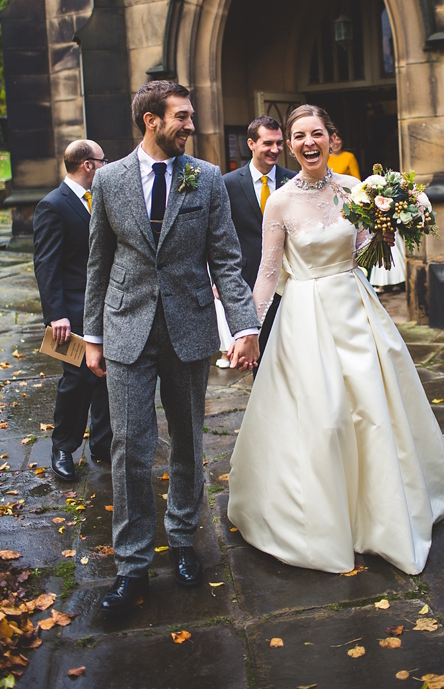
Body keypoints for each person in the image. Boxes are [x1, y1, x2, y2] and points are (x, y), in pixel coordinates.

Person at [228, 104, 444, 575]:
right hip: (304, 317)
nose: (307, 142)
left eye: (316, 133)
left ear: (331, 139)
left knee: (373, 410)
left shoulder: (356, 190)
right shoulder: (279, 202)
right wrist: (248, 329)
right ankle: (319, 517)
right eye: (298, 136)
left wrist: (387, 227)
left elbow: (363, 255)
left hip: (355, 308)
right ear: (290, 145)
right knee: (326, 415)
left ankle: (382, 515)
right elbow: (268, 273)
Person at [83, 80, 260, 614]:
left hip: (189, 330)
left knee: (187, 443)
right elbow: (99, 261)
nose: (191, 124)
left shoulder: (204, 178)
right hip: (125, 330)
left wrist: (245, 325)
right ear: (151, 121)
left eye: (190, 116)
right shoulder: (110, 180)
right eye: (181, 116)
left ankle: (183, 540)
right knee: (129, 449)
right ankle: (132, 564)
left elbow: (226, 259)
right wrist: (92, 336)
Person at [33, 140, 112, 482]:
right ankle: (63, 448)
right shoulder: (53, 205)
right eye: (102, 160)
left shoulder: (101, 201)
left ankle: (103, 444)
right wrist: (56, 315)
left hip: (108, 306)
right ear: (88, 165)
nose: (105, 165)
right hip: (71, 314)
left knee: (107, 376)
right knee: (76, 380)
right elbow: (46, 264)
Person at [223, 116, 295, 362]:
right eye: (268, 143)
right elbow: (220, 237)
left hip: (290, 281)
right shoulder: (228, 184)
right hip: (249, 281)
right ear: (251, 144)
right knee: (259, 353)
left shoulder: (294, 180)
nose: (275, 150)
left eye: (278, 143)